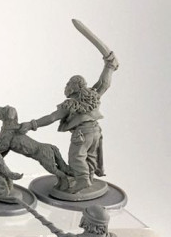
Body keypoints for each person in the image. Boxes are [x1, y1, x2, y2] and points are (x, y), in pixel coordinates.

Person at [20, 51, 118, 194]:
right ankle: (89, 177)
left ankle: (83, 180)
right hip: (96, 131)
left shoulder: (71, 104)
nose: (66, 86)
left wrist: (31, 124)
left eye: (68, 84)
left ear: (73, 87)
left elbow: (52, 117)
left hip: (82, 134)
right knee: (90, 156)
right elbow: (104, 83)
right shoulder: (93, 96)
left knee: (76, 157)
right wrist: (109, 67)